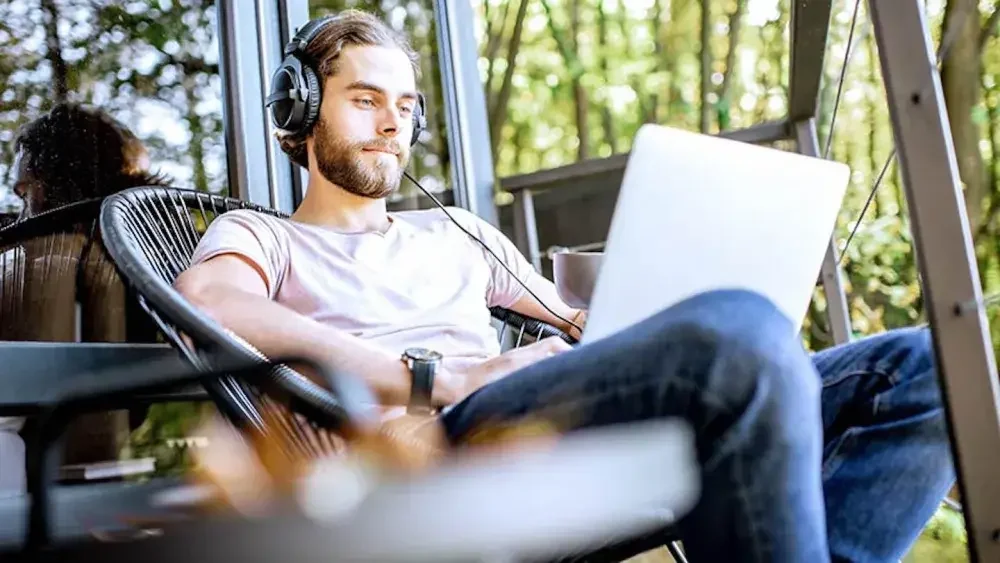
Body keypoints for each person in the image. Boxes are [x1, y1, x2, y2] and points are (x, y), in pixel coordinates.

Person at [174, 10, 955, 563]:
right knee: (741, 341)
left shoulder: (459, 235)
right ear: (298, 111)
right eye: (366, 100)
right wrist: (443, 377)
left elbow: (579, 320)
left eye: (406, 106)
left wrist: (612, 318)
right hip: (445, 449)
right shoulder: (263, 234)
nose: (393, 124)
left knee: (931, 369)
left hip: (554, 411)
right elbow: (212, 302)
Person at [0, 103, 169, 496]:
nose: (22, 217)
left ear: (63, 186)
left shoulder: (73, 267)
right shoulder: (129, 267)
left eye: (27, 193)